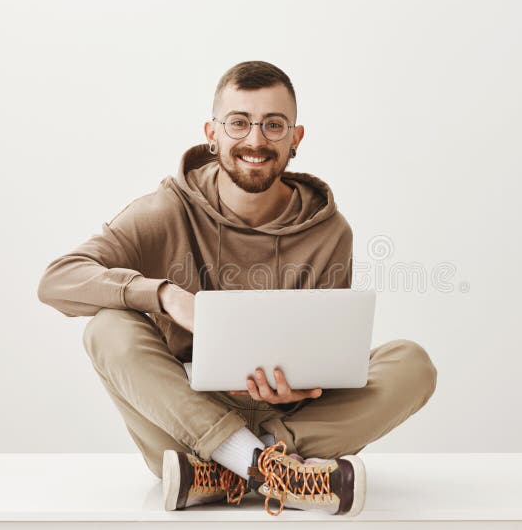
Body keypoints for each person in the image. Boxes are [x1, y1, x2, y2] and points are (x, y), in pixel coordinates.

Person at [37, 60, 437, 517]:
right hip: (187, 419)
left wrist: (308, 387)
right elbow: (58, 280)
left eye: (273, 125)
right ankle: (270, 470)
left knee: (412, 363)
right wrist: (164, 295)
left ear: (295, 138)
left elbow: (328, 347)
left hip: (285, 423)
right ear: (212, 132)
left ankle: (228, 471)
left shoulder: (331, 232)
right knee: (108, 327)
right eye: (239, 123)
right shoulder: (166, 210)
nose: (255, 140)